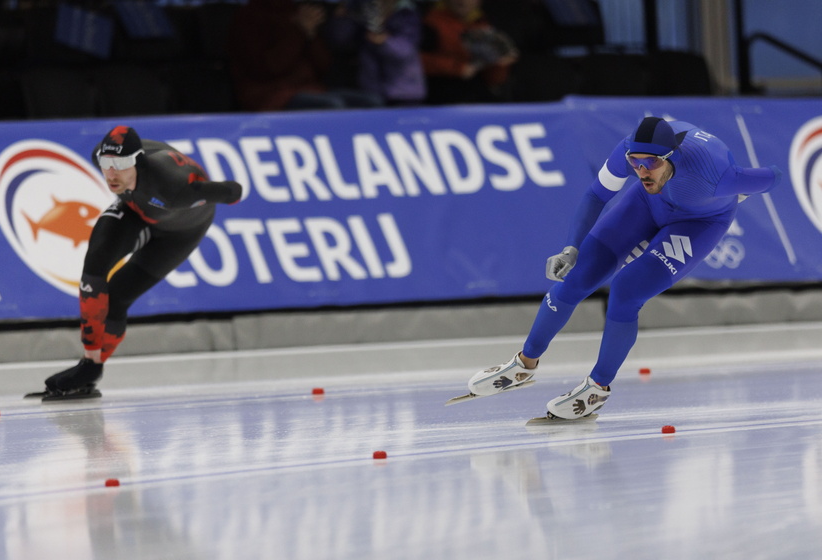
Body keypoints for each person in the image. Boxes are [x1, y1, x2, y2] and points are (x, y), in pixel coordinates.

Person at [467, 116, 782, 420]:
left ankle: (597, 388)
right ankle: (524, 362)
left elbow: (772, 176)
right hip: (646, 205)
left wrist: (739, 194)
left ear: (671, 157)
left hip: (698, 223)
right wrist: (570, 247)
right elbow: (596, 194)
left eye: (652, 164)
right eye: (636, 162)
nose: (642, 171)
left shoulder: (717, 174)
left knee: (626, 290)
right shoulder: (627, 153)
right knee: (577, 274)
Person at [26, 126, 243, 401]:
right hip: (136, 212)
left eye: (121, 164)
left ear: (138, 162)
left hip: (179, 234)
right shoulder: (101, 158)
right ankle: (89, 365)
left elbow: (232, 191)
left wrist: (229, 192)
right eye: (107, 165)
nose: (112, 174)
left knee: (118, 297)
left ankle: (94, 366)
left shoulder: (173, 187)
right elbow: (115, 160)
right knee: (94, 267)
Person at [228, 0, 383, 112]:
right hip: (270, 95)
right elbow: (268, 68)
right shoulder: (249, 16)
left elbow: (324, 66)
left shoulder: (298, 11)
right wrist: (299, 32)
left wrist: (311, 35)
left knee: (371, 102)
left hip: (310, 89)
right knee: (332, 105)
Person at [325, 0, 426, 106]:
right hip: (371, 89)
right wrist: (343, 15)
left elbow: (404, 51)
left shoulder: (407, 13)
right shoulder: (359, 10)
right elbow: (340, 40)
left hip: (404, 92)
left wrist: (384, 41)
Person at [420, 0, 518, 105]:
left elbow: (495, 80)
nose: (462, 1)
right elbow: (417, 61)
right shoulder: (431, 23)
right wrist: (457, 68)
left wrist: (500, 65)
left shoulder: (484, 25)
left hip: (477, 100)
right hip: (440, 97)